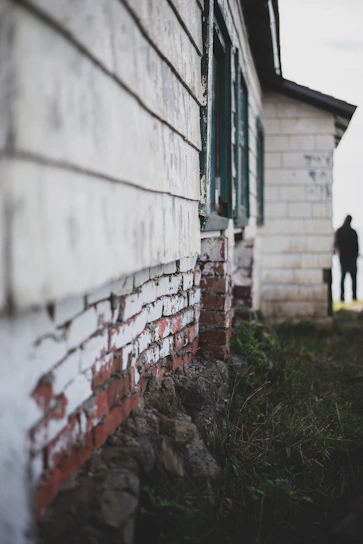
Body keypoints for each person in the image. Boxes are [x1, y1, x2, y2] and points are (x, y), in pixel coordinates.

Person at [334, 215, 359, 302]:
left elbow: (335, 244)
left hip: (343, 259)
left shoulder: (339, 231)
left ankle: (342, 297)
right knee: (353, 279)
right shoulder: (353, 232)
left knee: (343, 278)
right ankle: (354, 296)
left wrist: (337, 254)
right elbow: (356, 246)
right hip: (352, 259)